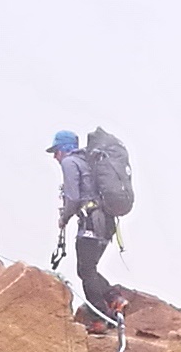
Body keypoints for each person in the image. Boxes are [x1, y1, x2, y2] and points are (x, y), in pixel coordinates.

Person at [46, 128, 133, 321]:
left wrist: (64, 218)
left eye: (56, 152)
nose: (55, 158)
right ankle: (114, 299)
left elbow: (73, 197)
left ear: (63, 149)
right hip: (106, 223)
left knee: (85, 270)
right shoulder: (88, 161)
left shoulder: (70, 162)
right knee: (88, 268)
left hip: (91, 223)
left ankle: (101, 318)